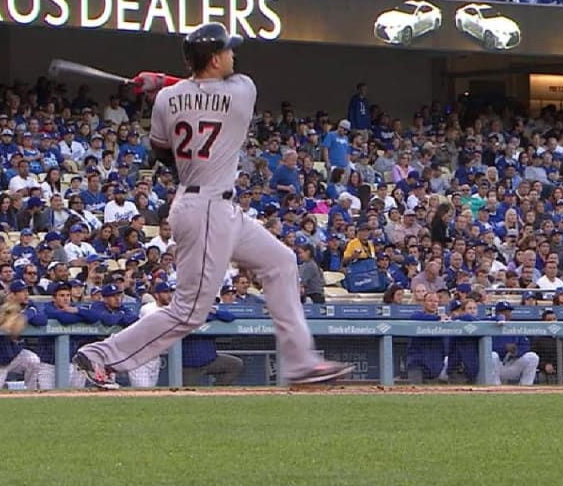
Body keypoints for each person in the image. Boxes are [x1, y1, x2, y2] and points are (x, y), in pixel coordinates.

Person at [73, 23, 353, 389]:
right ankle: (101, 356)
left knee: (280, 262)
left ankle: (301, 363)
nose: (233, 56)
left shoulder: (165, 100)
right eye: (228, 51)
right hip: (206, 209)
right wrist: (165, 80)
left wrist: (162, 86)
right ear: (216, 58)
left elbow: (163, 153)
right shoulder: (243, 90)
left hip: (211, 203)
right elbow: (207, 90)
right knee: (189, 310)